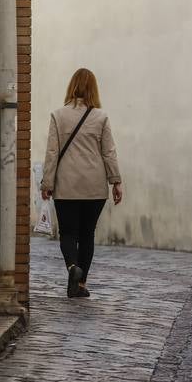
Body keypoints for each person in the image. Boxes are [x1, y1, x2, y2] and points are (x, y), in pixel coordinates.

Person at [41, 68, 123, 298]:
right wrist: (115, 181)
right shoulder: (101, 117)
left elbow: (52, 152)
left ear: (72, 87)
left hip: (66, 186)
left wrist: (47, 182)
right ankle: (80, 284)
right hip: (94, 188)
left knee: (68, 233)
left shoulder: (58, 116)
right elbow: (109, 152)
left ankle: (71, 268)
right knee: (87, 235)